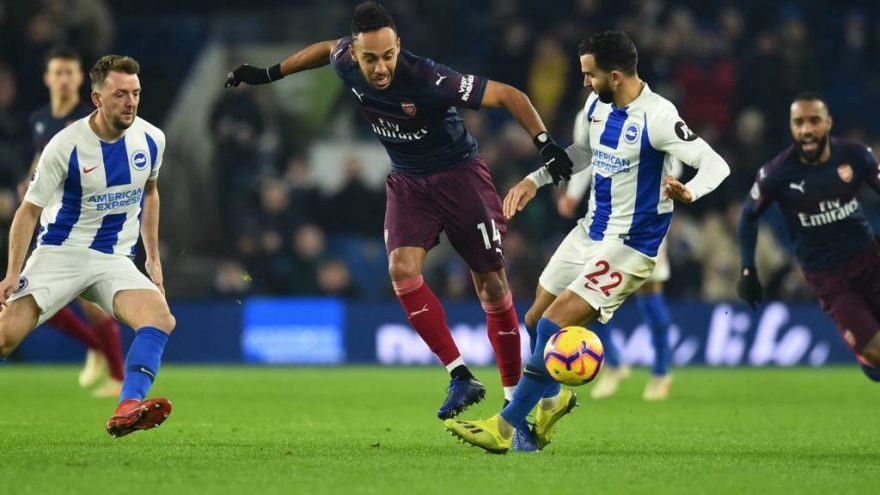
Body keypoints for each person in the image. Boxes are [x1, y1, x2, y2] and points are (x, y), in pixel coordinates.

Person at [225, 1, 574, 419]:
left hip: (460, 178)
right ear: (355, 53)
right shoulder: (344, 58)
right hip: (408, 182)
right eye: (370, 58)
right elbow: (323, 49)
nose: (380, 67)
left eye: (388, 56)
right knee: (401, 270)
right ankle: (460, 376)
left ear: (399, 46)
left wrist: (545, 145)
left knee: (492, 287)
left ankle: (513, 400)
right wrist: (268, 74)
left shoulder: (428, 77)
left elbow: (509, 95)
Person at [444, 31, 730, 453]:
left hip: (630, 245)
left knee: (554, 324)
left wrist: (692, 191)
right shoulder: (596, 106)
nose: (583, 82)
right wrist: (535, 180)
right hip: (589, 231)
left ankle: (504, 426)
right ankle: (554, 400)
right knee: (535, 321)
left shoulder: (658, 116)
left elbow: (715, 164)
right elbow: (583, 153)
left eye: (589, 74)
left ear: (615, 76)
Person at [0, 55, 175, 438]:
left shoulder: (152, 139)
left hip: (113, 259)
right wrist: (13, 272)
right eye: (120, 94)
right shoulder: (65, 146)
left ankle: (128, 405)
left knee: (160, 317)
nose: (130, 102)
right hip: (60, 253)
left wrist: (153, 258)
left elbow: (151, 193)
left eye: (135, 93)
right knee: (5, 338)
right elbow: (28, 211)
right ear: (97, 98)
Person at [737, 92, 880, 382]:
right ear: (791, 127)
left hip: (870, 262)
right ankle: (869, 358)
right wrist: (748, 269)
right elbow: (748, 215)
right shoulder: (776, 174)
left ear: (828, 123)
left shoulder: (855, 155)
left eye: (814, 121)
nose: (806, 129)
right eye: (799, 122)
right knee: (877, 355)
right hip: (830, 280)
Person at [22, 46, 125, 398]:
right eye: (58, 73)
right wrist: (27, 183)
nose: (64, 79)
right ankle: (96, 349)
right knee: (36, 298)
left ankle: (116, 374)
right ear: (48, 78)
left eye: (70, 72)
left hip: (82, 223)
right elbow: (41, 158)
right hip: (47, 220)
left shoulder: (89, 118)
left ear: (80, 78)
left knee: (88, 303)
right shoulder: (39, 119)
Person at [557, 130, 679, 401]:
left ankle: (661, 371)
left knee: (650, 292)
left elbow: (675, 154)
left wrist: (669, 179)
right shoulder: (589, 114)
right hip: (606, 223)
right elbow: (585, 156)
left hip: (647, 222)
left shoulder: (653, 114)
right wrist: (573, 194)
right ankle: (613, 363)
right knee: (588, 292)